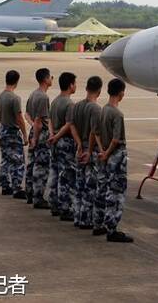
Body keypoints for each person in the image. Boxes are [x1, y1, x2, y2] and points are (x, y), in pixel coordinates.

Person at [95, 78, 133, 243]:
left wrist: (102, 151)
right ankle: (112, 228)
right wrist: (108, 152)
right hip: (116, 156)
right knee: (116, 192)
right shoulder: (117, 114)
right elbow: (116, 139)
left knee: (102, 189)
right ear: (121, 93)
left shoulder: (103, 110)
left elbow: (96, 133)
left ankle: (99, 223)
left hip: (104, 154)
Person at [71, 75, 103, 230]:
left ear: (86, 88)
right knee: (91, 187)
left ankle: (78, 216)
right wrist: (89, 151)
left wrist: (79, 145)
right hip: (90, 151)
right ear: (99, 90)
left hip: (80, 149)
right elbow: (93, 132)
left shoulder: (76, 106)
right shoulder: (96, 109)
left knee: (79, 185)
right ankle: (86, 219)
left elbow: (71, 126)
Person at [47, 72, 79, 221]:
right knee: (66, 176)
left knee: (55, 173)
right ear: (70, 85)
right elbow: (69, 124)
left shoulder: (55, 101)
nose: (76, 86)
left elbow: (51, 120)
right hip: (65, 142)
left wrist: (52, 135)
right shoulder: (69, 104)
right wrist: (58, 136)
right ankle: (65, 208)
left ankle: (53, 204)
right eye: (75, 83)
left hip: (55, 141)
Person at [0, 70, 28, 199]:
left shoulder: (0, 96)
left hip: (3, 129)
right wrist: (25, 134)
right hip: (12, 132)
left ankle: (5, 185)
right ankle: (17, 187)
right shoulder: (15, 98)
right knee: (18, 160)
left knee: (5, 159)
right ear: (17, 81)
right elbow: (19, 117)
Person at [26, 68, 53, 209]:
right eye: (50, 77)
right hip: (40, 134)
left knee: (31, 164)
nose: (52, 79)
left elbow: (27, 115)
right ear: (45, 79)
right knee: (41, 166)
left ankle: (30, 193)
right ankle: (38, 197)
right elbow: (38, 120)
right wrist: (36, 137)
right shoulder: (43, 97)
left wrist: (32, 131)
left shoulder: (33, 94)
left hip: (34, 131)